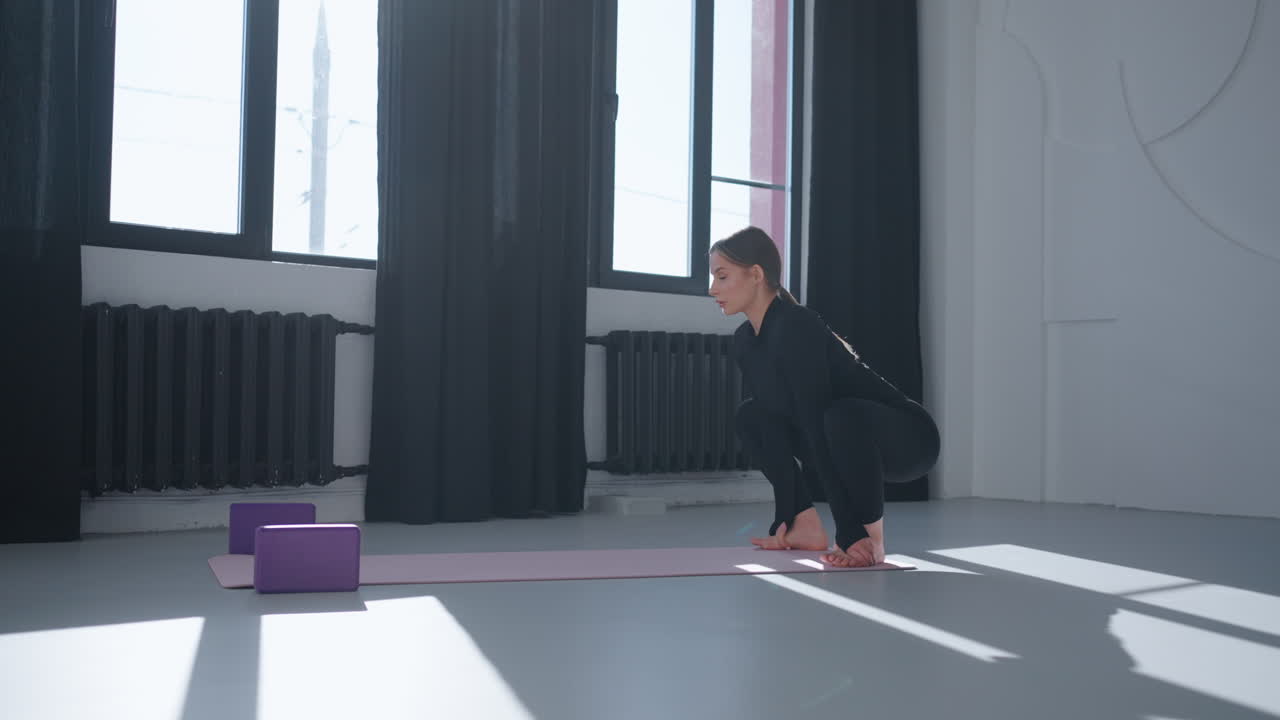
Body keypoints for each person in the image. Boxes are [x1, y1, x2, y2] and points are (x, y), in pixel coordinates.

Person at [709, 227, 940, 568]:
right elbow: (775, 423)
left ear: (756, 274)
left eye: (722, 276)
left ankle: (870, 538)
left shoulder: (796, 325)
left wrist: (849, 529)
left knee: (836, 416)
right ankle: (801, 524)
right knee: (752, 415)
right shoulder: (746, 340)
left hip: (907, 439)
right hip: (843, 438)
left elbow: (815, 421)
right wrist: (788, 512)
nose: (712, 289)